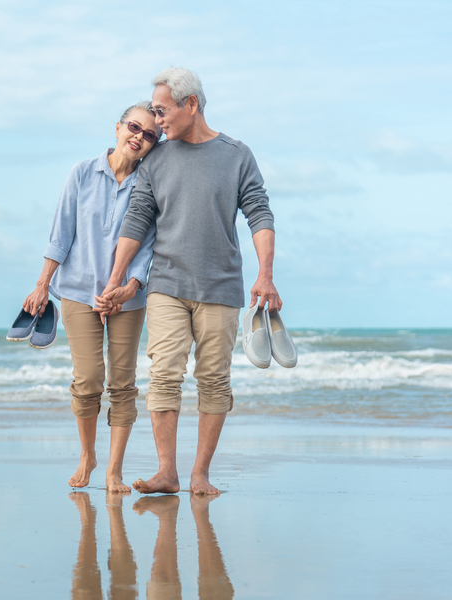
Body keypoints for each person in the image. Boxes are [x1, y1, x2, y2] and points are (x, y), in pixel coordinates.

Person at [98, 67, 280, 495]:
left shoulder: (237, 155)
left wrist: (266, 274)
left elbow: (259, 214)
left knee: (214, 380)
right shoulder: (155, 160)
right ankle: (167, 473)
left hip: (221, 287)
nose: (157, 122)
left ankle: (200, 475)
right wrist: (116, 278)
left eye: (162, 111)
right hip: (166, 283)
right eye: (153, 113)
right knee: (163, 376)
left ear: (191, 105)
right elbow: (138, 217)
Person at [22, 102, 161, 492]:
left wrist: (131, 286)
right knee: (87, 380)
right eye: (135, 127)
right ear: (117, 128)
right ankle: (87, 455)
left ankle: (114, 470)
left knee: (123, 383)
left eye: (150, 134)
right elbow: (61, 233)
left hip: (127, 299)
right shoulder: (81, 173)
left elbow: (149, 245)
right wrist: (41, 284)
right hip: (78, 293)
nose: (140, 137)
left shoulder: (149, 185)